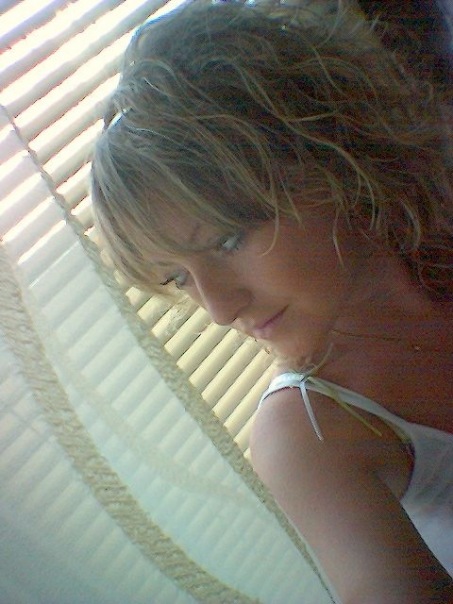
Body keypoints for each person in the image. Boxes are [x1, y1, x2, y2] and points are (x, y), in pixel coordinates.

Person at [90, 1, 453, 601]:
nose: (219, 309)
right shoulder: (313, 433)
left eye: (228, 240)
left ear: (330, 158)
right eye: (178, 278)